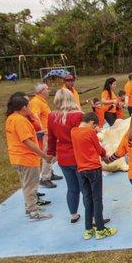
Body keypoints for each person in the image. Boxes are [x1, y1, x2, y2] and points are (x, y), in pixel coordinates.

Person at [5, 93, 53, 221]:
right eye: (28, 106)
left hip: (17, 157)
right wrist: (44, 155)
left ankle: (30, 206)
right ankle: (33, 211)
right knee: (31, 186)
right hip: (26, 158)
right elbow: (27, 141)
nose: (30, 109)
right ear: (23, 108)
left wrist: (39, 133)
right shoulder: (20, 120)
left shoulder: (11, 118)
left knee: (26, 184)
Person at [71, 112, 117, 240]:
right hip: (93, 169)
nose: (95, 129)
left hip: (81, 170)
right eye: (95, 126)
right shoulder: (90, 133)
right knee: (97, 199)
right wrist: (105, 154)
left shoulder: (73, 132)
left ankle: (88, 229)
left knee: (87, 198)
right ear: (91, 123)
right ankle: (101, 229)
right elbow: (99, 150)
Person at [47, 88, 88, 224]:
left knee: (71, 188)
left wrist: (51, 153)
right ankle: (92, 216)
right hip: (78, 156)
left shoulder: (52, 116)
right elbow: (84, 137)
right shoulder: (78, 116)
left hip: (63, 157)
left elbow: (51, 138)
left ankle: (73, 214)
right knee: (85, 188)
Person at [30, 83, 63, 189]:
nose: (48, 91)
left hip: (49, 132)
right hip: (45, 133)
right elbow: (35, 117)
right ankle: (45, 178)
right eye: (47, 89)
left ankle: (50, 172)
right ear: (41, 91)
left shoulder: (42, 101)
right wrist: (42, 130)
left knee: (51, 153)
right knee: (47, 154)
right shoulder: (36, 102)